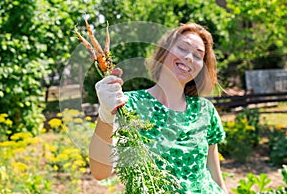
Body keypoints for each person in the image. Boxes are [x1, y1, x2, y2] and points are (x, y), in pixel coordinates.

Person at [89, 22, 228, 194]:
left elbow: (214, 172)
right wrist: (105, 116)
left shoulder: (205, 110)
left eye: (198, 56)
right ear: (164, 52)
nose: (190, 57)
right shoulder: (128, 104)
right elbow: (100, 173)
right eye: (183, 48)